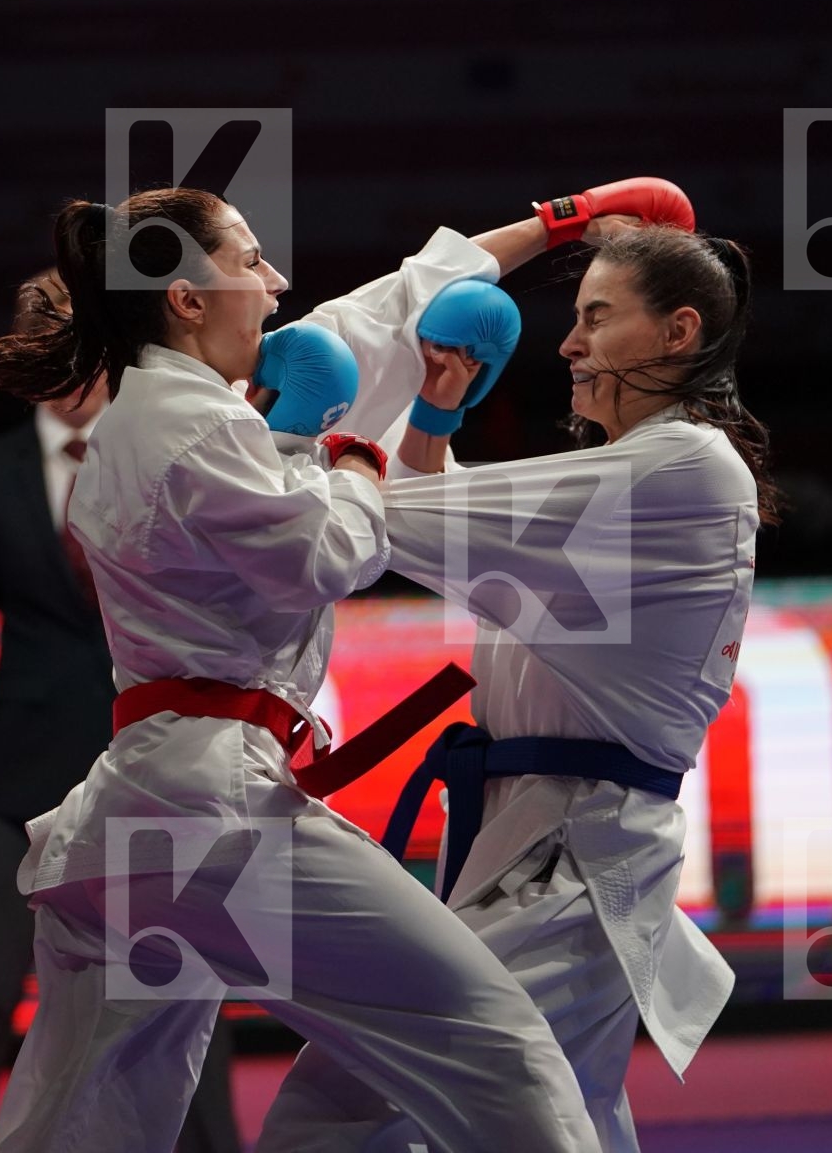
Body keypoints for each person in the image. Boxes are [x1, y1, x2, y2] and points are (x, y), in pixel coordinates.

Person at [0, 188, 601, 1153]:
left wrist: (560, 222)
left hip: (140, 823)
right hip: (209, 813)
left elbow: (386, 310)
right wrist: (342, 451)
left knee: (88, 1117)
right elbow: (325, 555)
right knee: (491, 1035)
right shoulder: (193, 424)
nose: (275, 285)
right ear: (185, 297)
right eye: (253, 261)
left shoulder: (179, 410)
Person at [311, 183, 773, 1152]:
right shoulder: (639, 481)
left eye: (597, 319)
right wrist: (435, 409)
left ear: (677, 333)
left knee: (353, 1107)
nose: (566, 344)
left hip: (574, 857)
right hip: (543, 843)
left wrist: (303, 437)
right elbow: (448, 526)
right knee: (562, 1114)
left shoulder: (678, 470)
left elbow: (401, 523)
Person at [0, 272, 240, 1153]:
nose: (77, 366)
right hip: (19, 772)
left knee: (181, 982)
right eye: (52, 344)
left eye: (85, 343)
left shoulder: (166, 451)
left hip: (151, 761)